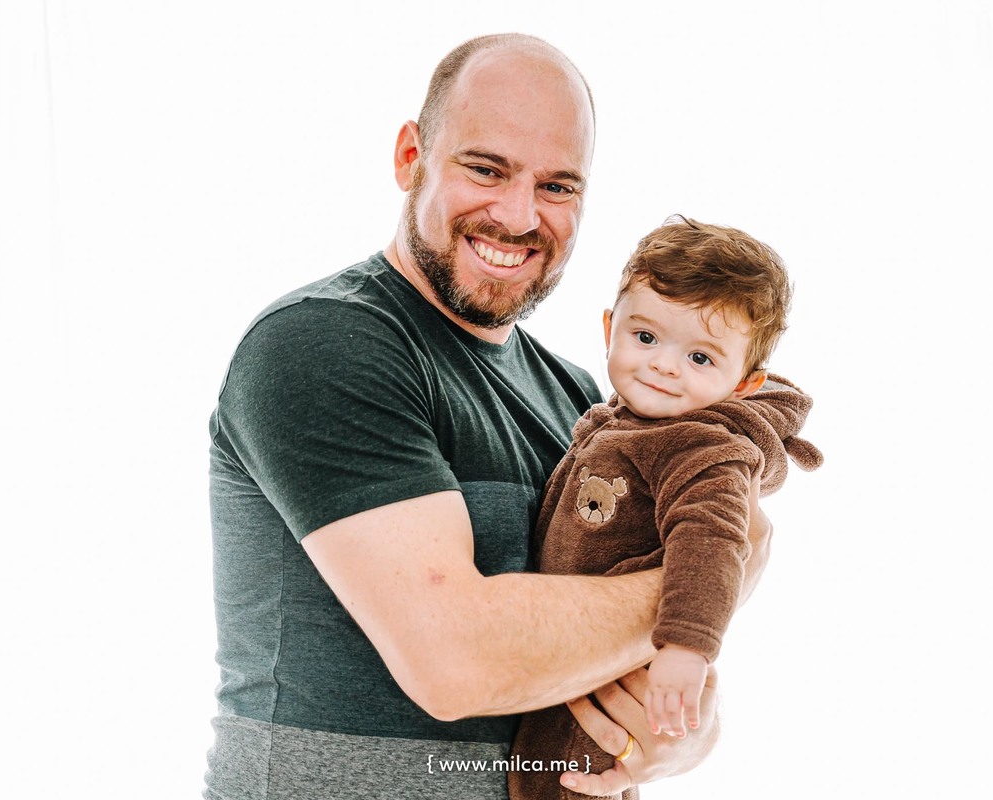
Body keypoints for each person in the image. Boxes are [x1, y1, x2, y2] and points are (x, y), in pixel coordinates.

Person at [204, 34, 773, 800]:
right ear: (411, 157)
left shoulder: (588, 405)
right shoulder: (321, 345)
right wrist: (711, 581)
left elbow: (635, 674)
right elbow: (455, 662)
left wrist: (685, 734)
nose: (517, 215)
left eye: (557, 186)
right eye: (486, 169)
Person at [508, 217, 822, 800]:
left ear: (744, 384)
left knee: (564, 781)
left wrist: (687, 647)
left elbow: (713, 542)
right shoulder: (618, 418)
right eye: (646, 337)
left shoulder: (702, 448)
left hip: (615, 675)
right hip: (570, 661)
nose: (664, 364)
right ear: (610, 328)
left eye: (700, 357)